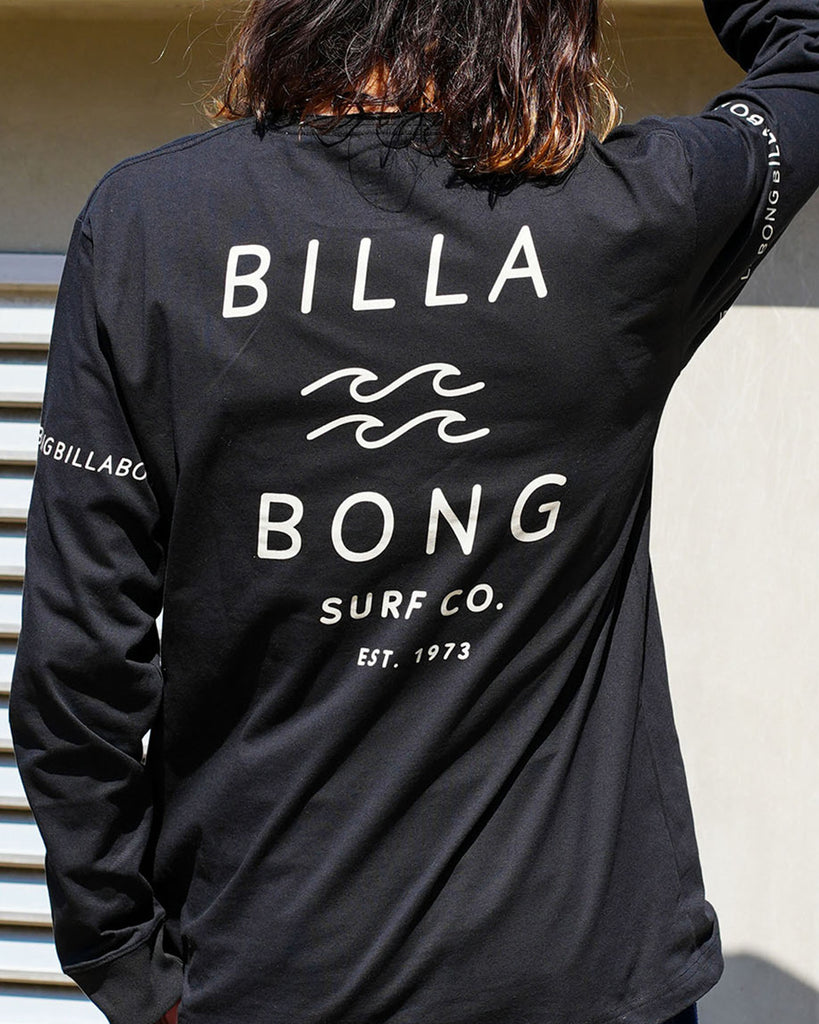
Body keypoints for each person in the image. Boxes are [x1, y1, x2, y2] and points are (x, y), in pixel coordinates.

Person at [8, 0, 818, 1022]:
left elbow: (77, 667)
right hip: (582, 979)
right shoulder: (631, 215)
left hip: (273, 977)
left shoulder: (152, 227)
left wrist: (127, 963)